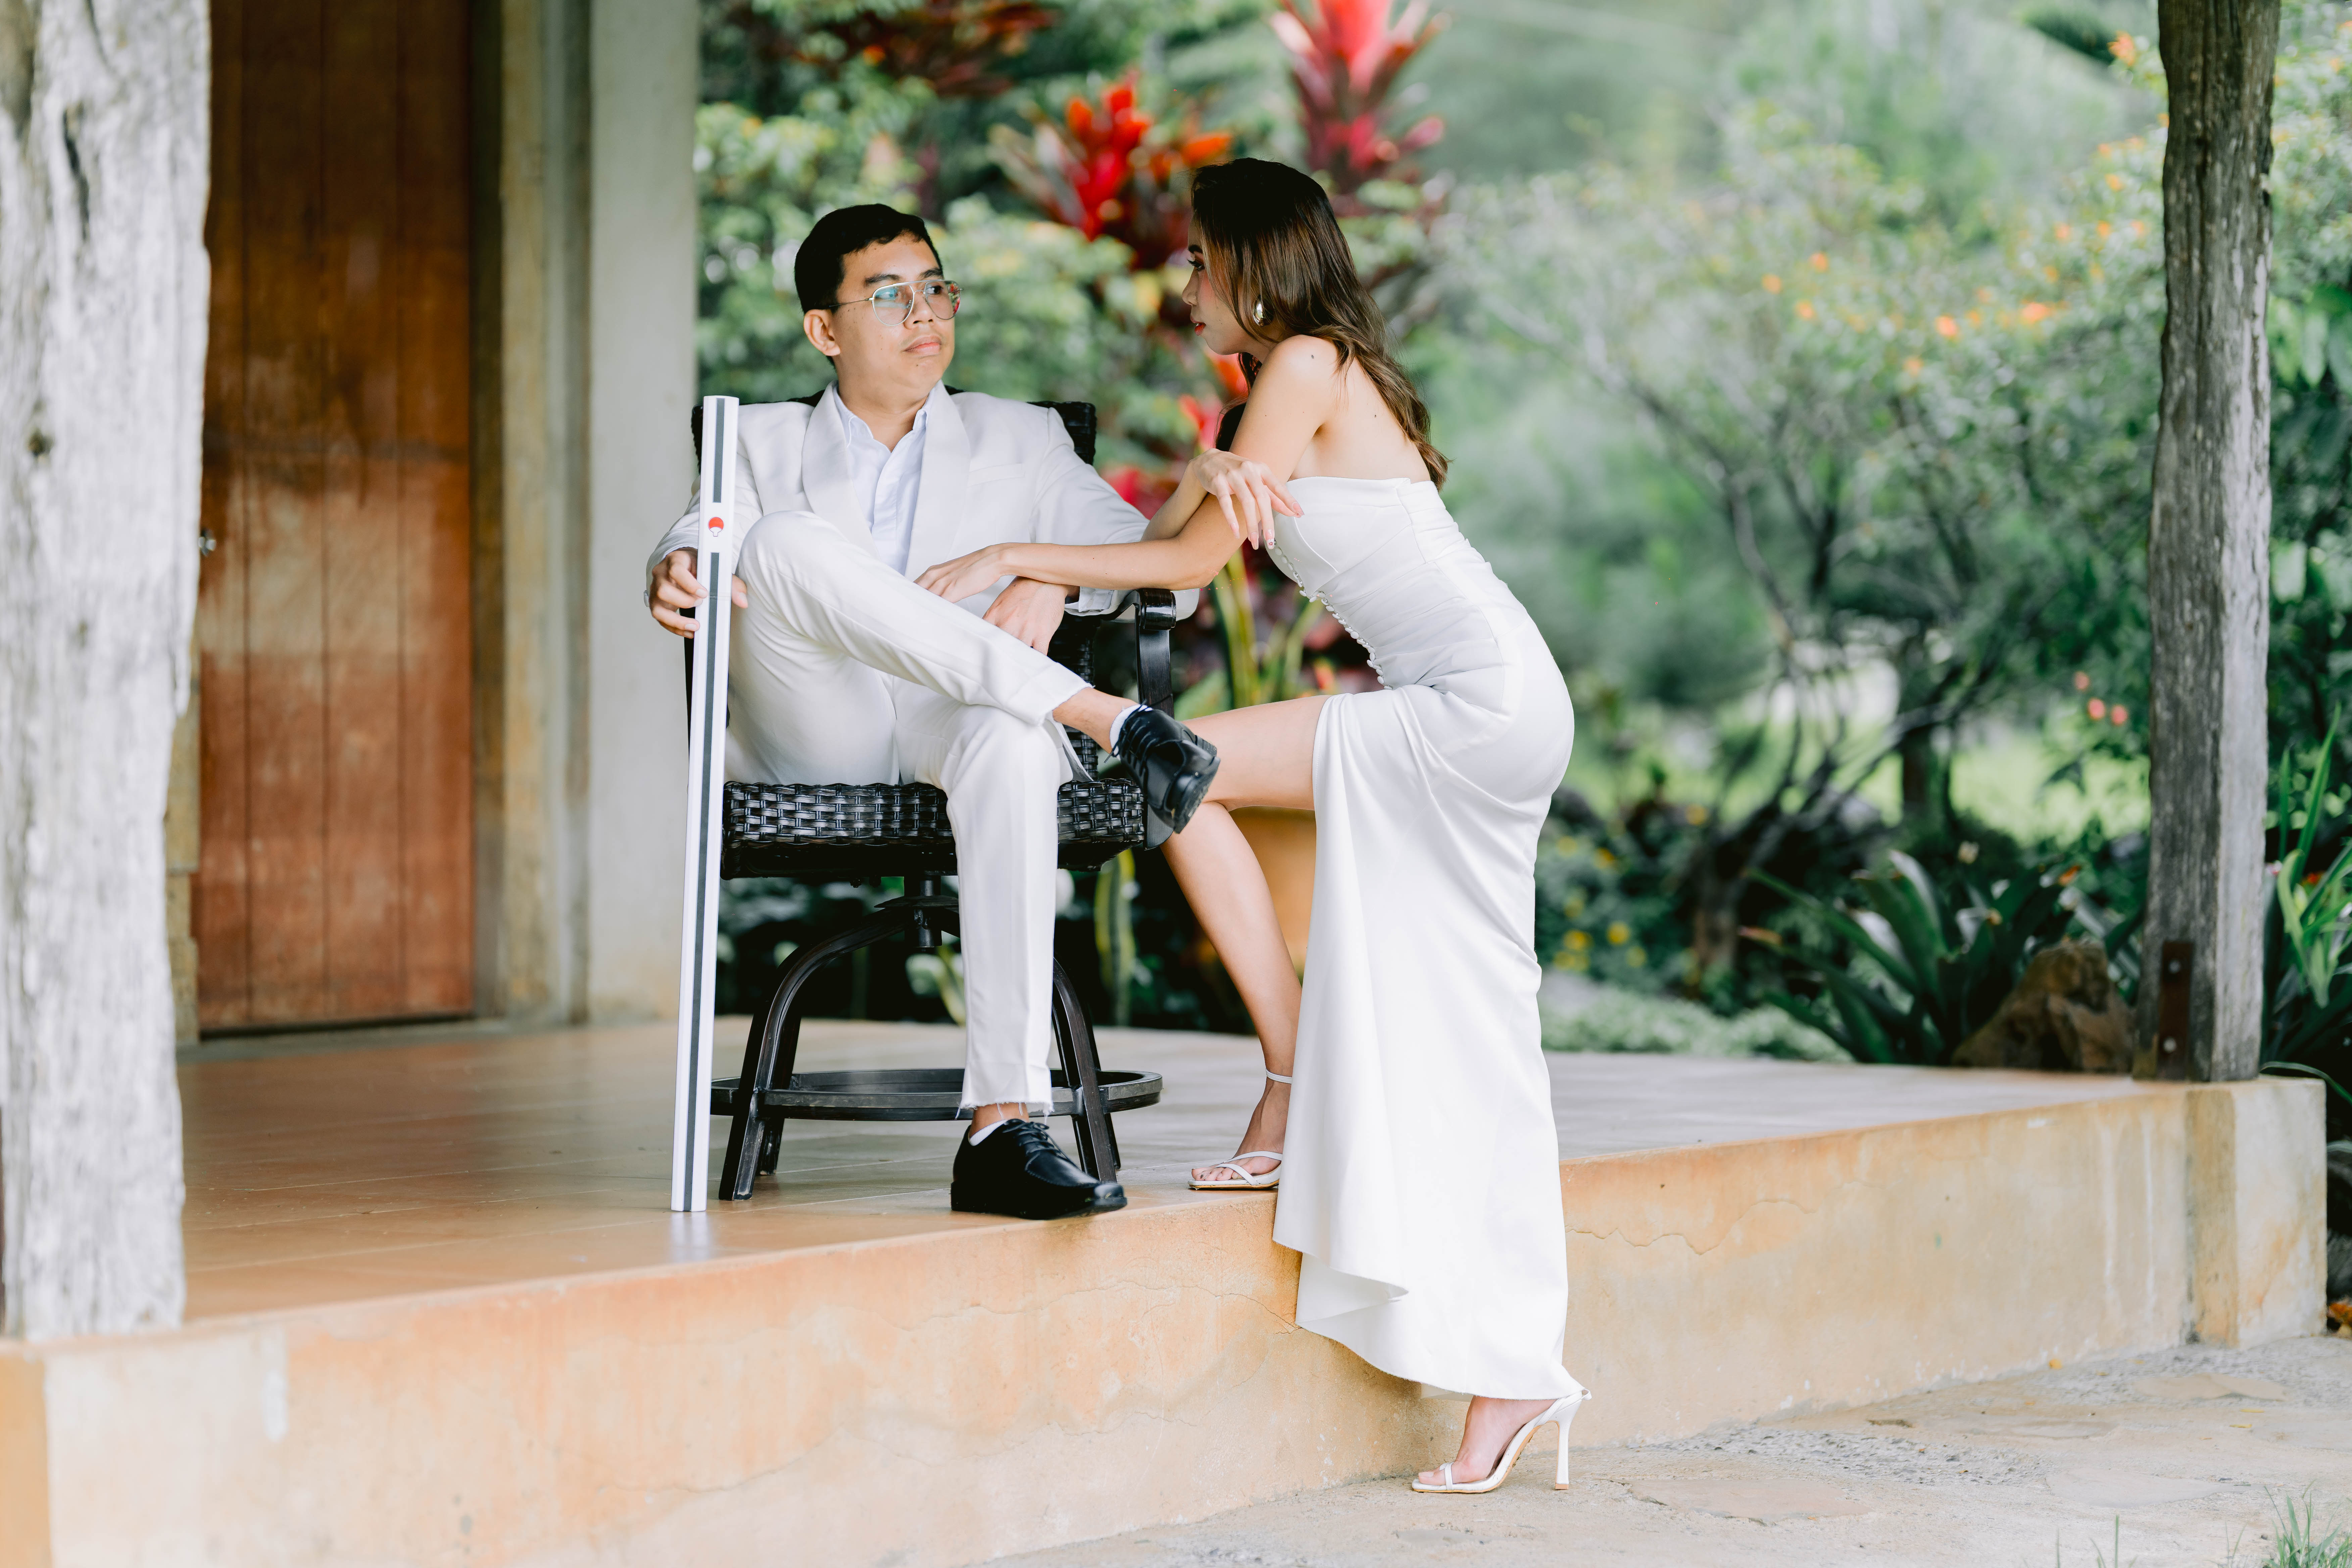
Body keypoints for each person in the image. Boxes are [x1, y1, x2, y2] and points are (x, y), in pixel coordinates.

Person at [911, 160, 1591, 1492]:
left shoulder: (1307, 366)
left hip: (1477, 702)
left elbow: (1183, 565)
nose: (1184, 285)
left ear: (1252, 264)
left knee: (1183, 769)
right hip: (1477, 701)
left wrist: (1011, 559)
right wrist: (1150, 505)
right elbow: (1167, 556)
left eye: (1198, 261)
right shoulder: (1276, 394)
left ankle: (1292, 1075)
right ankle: (1508, 1369)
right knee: (1473, 1028)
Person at [645, 204, 1233, 1221]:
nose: (924, 313)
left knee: (1011, 739)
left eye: (935, 289)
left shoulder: (1021, 438)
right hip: (817, 730)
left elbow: (1159, 577)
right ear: (824, 330)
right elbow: (699, 533)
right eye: (889, 296)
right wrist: (678, 564)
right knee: (778, 544)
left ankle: (1004, 1127)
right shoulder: (759, 438)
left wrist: (1050, 572)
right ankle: (1103, 716)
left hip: (953, 720)